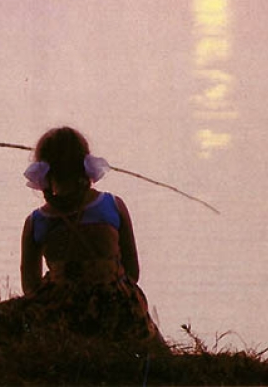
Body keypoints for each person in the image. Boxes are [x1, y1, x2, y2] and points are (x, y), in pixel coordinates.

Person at [19, 126, 165, 344]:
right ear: (86, 166)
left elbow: (31, 288)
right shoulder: (113, 206)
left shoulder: (35, 222)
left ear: (44, 172)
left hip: (63, 319)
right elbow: (132, 273)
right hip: (120, 315)